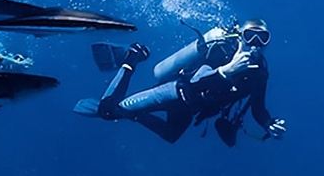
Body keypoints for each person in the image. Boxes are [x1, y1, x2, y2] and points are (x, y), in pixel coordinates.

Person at [75, 18, 287, 145]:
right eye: (250, 36)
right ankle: (131, 59)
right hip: (174, 92)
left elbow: (258, 108)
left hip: (191, 108)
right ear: (240, 36)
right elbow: (195, 83)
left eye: (263, 38)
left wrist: (269, 124)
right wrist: (226, 71)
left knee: (171, 135)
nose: (255, 44)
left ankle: (133, 113)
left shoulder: (259, 72)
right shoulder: (220, 52)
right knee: (108, 112)